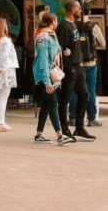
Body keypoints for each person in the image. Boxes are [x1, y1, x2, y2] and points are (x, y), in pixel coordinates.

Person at [56, 0, 94, 142]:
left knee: (84, 95)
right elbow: (59, 49)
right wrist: (68, 66)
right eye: (78, 8)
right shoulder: (64, 27)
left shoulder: (74, 25)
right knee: (64, 99)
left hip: (79, 66)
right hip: (70, 68)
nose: (80, 10)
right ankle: (64, 130)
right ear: (72, 9)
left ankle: (79, 128)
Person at [33, 13, 69, 145]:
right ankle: (60, 136)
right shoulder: (43, 37)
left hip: (51, 74)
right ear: (53, 22)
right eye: (56, 20)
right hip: (45, 75)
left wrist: (65, 52)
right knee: (53, 103)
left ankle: (39, 135)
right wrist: (46, 81)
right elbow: (42, 60)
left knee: (46, 106)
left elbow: (55, 52)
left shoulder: (52, 35)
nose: (57, 22)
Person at [70, 14, 105, 127]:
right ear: (89, 11)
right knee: (90, 90)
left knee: (75, 91)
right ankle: (91, 118)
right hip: (90, 63)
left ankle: (73, 118)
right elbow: (103, 44)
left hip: (76, 63)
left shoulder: (73, 25)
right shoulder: (93, 26)